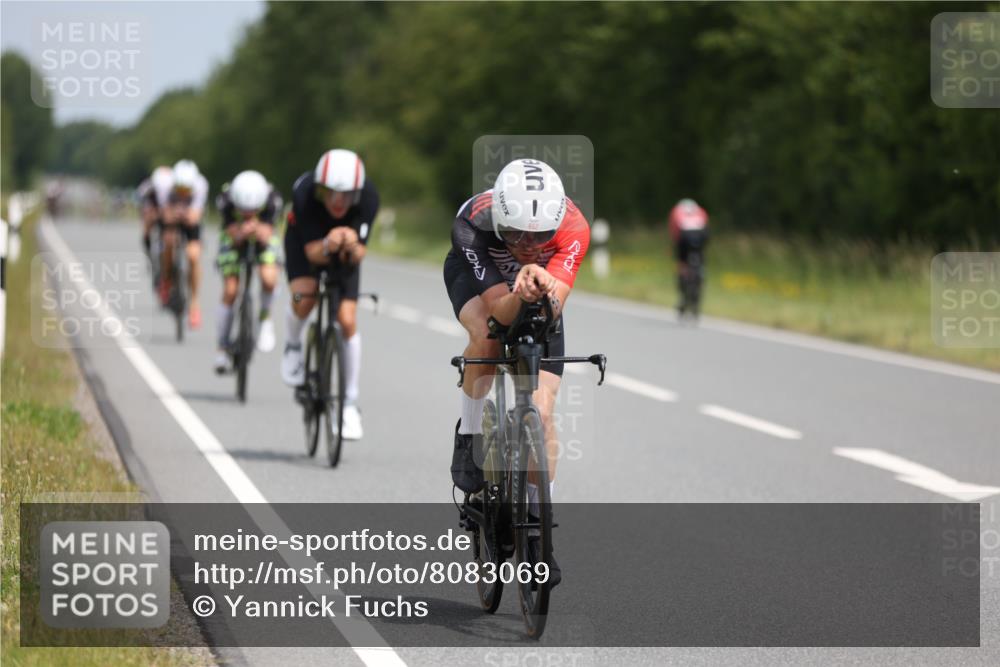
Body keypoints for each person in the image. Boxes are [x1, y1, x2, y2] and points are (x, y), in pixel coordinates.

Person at [443, 158, 591, 585]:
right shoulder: (472, 225)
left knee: (542, 415)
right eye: (515, 235)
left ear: (557, 224)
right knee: (488, 342)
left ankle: (536, 531)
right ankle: (469, 434)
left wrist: (535, 285)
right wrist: (522, 280)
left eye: (540, 236)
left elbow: (550, 309)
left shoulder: (573, 228)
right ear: (500, 221)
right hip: (479, 281)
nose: (528, 244)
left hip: (540, 291)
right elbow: (498, 313)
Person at [281, 149, 378, 441]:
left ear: (357, 193)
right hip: (305, 243)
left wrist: (349, 244)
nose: (338, 202)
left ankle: (349, 402)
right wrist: (327, 243)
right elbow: (312, 252)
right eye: (331, 193)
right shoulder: (304, 193)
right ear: (319, 189)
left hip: (343, 253)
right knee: (304, 295)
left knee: (347, 320)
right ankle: (293, 344)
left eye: (346, 195)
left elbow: (360, 253)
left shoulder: (369, 197)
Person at [213, 170, 284, 373]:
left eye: (253, 210)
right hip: (233, 238)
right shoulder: (225, 199)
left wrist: (259, 231)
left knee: (269, 279)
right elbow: (228, 230)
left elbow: (270, 231)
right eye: (243, 209)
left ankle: (265, 317)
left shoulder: (272, 199)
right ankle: (221, 346)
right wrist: (240, 232)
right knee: (230, 290)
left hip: (263, 239)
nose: (248, 214)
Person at [159, 160, 209, 329]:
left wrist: (183, 214)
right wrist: (175, 214)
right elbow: (165, 216)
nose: (181, 193)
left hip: (190, 222)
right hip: (172, 218)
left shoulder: (201, 185)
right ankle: (166, 279)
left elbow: (195, 217)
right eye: (179, 190)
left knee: (193, 256)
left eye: (185, 191)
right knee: (167, 242)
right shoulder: (164, 184)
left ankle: (194, 303)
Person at [668, 198, 709, 315]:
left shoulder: (677, 212)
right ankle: (701, 273)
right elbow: (707, 231)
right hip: (701, 237)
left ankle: (683, 286)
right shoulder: (700, 212)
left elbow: (674, 234)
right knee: (700, 258)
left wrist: (676, 249)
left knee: (682, 263)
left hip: (684, 238)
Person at [138, 165, 172, 258]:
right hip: (151, 206)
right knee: (148, 224)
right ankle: (148, 250)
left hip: (165, 208)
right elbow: (143, 205)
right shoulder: (147, 188)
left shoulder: (173, 187)